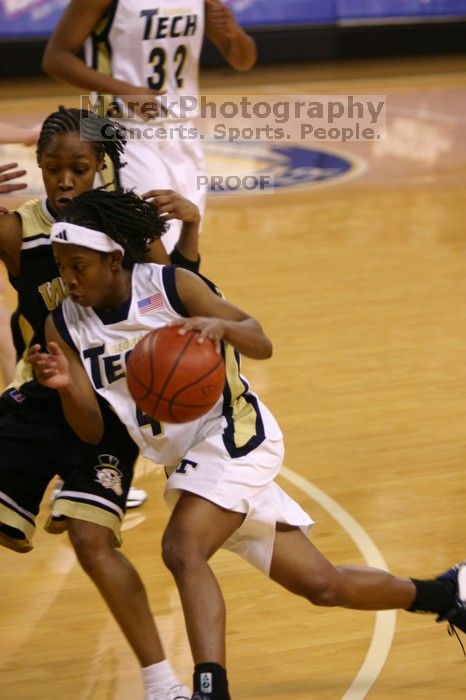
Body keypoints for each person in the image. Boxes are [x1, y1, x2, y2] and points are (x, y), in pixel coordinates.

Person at [30, 187, 466, 700]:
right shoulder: (63, 325)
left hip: (234, 434)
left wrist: (222, 327)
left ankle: (210, 689)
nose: (69, 278)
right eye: (61, 265)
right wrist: (63, 387)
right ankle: (445, 593)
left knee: (181, 548)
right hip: (188, 462)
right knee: (321, 585)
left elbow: (261, 339)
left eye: (79, 265)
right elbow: (91, 431)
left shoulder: (171, 286)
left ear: (114, 257)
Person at [0, 106, 203, 700]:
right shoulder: (18, 229)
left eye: (80, 169)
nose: (65, 181)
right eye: (54, 169)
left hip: (111, 406)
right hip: (37, 400)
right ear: (38, 166)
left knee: (91, 541)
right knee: (12, 536)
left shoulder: (123, 228)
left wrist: (188, 231)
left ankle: (161, 683)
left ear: (101, 168)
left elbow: (177, 293)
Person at [42, 0, 257, 252]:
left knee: (185, 242)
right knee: (150, 246)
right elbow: (56, 58)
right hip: (119, 130)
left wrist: (232, 30)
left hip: (182, 130)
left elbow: (243, 60)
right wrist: (126, 91)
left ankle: (175, 292)